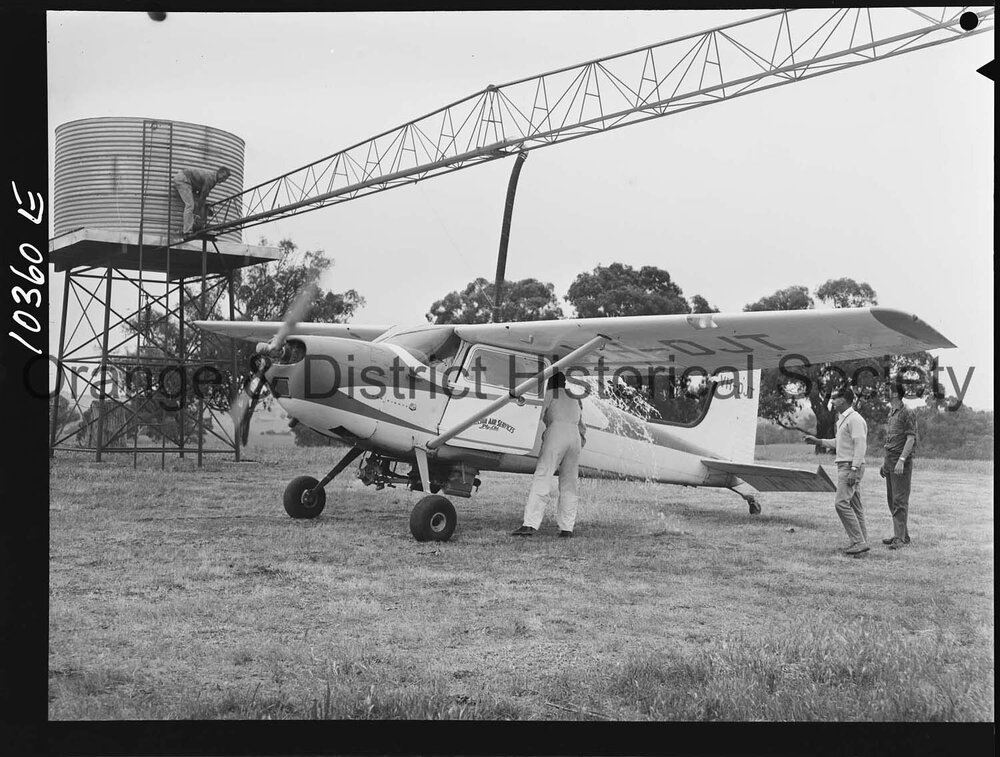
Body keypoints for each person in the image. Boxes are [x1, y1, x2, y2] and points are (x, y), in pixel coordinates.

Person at [512, 371, 587, 537]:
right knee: (569, 483)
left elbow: (537, 415)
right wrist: (579, 442)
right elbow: (582, 425)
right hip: (574, 436)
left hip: (557, 432)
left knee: (543, 476)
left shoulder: (550, 393)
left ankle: (530, 524)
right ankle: (567, 527)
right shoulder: (575, 397)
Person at [802, 387, 870, 555]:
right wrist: (818, 441)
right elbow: (838, 442)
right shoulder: (844, 419)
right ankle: (862, 546)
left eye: (834, 398)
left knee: (840, 503)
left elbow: (860, 444)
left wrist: (854, 469)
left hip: (849, 466)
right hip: (848, 465)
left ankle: (859, 542)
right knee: (856, 507)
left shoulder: (854, 419)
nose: (832, 401)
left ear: (843, 400)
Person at [879, 380, 917, 549]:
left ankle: (899, 539)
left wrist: (901, 460)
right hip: (890, 460)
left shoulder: (907, 412)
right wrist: (885, 463)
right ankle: (902, 535)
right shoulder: (892, 413)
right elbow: (890, 440)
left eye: (887, 390)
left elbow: (911, 438)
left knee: (899, 500)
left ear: (894, 393)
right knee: (892, 499)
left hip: (900, 461)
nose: (884, 392)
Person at [172, 166, 231, 235]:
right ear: (219, 172)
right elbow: (202, 196)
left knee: (196, 203)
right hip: (183, 180)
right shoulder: (211, 179)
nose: (223, 180)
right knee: (190, 205)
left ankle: (194, 224)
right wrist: (198, 211)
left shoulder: (213, 179)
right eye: (223, 177)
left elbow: (201, 195)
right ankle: (187, 230)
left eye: (225, 179)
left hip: (187, 181)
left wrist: (199, 209)